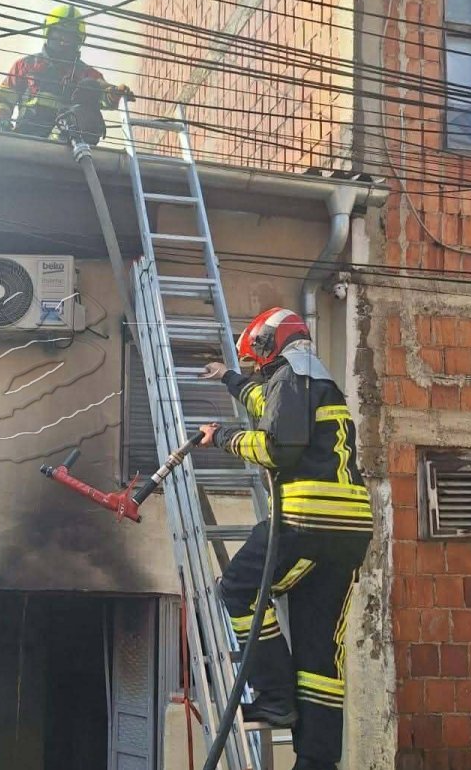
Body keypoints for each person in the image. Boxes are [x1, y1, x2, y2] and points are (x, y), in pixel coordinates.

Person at [197, 307, 372, 770]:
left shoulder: (292, 377)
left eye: (256, 358)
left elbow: (278, 446)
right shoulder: (312, 379)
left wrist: (223, 438)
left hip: (307, 521)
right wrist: (229, 379)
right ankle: (316, 760)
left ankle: (274, 693)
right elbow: (269, 406)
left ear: (269, 343)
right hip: (348, 531)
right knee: (319, 649)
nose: (257, 367)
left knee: (237, 588)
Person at [0, 4, 134, 145]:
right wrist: (4, 128)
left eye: (70, 37)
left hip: (65, 145)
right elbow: (3, 99)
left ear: (78, 40)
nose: (63, 41)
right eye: (59, 33)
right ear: (48, 32)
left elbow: (102, 93)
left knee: (89, 88)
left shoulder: (85, 74)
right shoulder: (26, 65)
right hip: (26, 140)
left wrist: (115, 93)